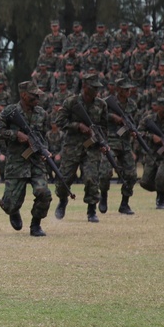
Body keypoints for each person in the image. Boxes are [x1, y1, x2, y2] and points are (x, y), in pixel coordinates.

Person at [0, 81, 51, 237]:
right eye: (34, 95)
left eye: (38, 95)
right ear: (24, 95)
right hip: (17, 162)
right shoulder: (10, 111)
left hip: (36, 161)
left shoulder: (42, 113)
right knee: (9, 205)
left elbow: (44, 135)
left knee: (44, 192)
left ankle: (36, 225)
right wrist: (15, 135)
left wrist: (44, 149)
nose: (37, 98)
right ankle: (14, 211)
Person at [53, 74, 109, 223]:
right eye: (93, 88)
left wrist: (104, 143)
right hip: (73, 146)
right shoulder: (71, 102)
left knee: (91, 177)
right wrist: (78, 126)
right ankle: (62, 201)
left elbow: (104, 127)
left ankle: (91, 210)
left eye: (98, 88)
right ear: (84, 87)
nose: (96, 91)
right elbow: (59, 121)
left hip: (92, 147)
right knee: (65, 178)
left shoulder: (102, 104)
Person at [101, 79, 140, 215]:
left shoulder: (132, 105)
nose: (128, 92)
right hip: (110, 142)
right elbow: (98, 116)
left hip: (125, 144)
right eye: (125, 89)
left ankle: (124, 204)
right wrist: (113, 118)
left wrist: (133, 131)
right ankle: (103, 197)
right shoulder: (106, 103)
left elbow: (134, 122)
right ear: (118, 90)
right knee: (105, 172)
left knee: (132, 174)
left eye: (129, 89)